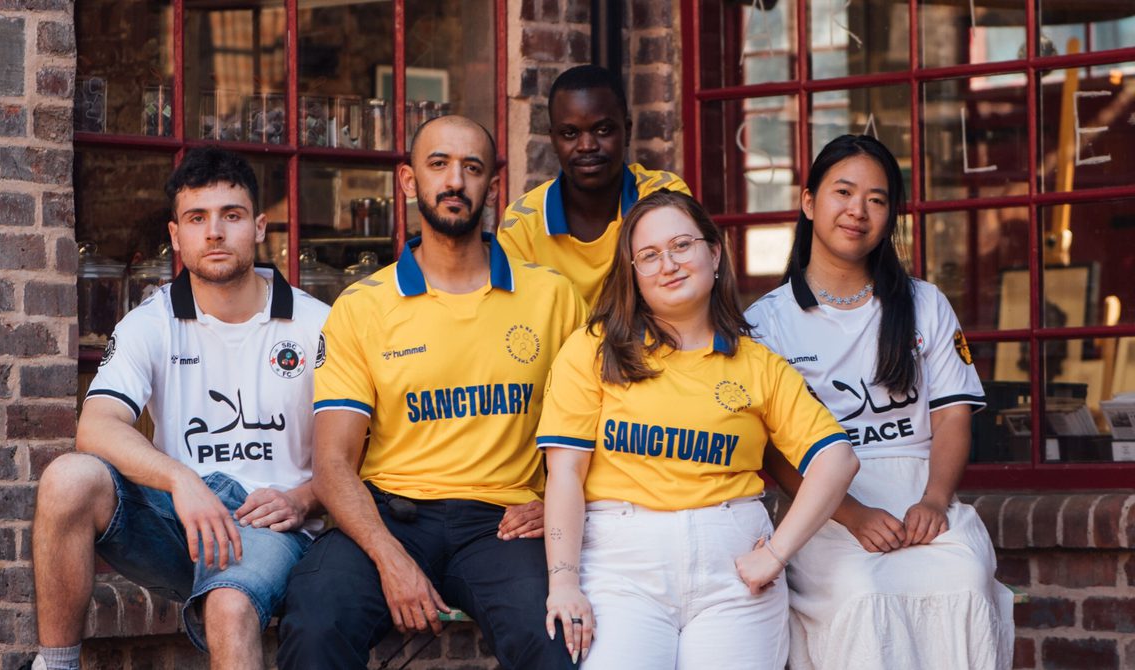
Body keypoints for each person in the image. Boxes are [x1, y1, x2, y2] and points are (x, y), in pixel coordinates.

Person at [275, 115, 586, 670]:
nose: (454, 181)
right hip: (391, 516)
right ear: (408, 181)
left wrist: (554, 503)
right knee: (316, 622)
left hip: (503, 524)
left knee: (556, 640)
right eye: (438, 164)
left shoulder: (553, 298)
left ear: (493, 187)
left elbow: (599, 427)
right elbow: (332, 463)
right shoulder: (364, 306)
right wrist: (390, 559)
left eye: (472, 168)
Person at [30, 147, 329, 670]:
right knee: (68, 478)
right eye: (197, 218)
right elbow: (96, 426)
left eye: (230, 216)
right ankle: (54, 665)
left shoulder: (318, 324)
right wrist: (181, 481)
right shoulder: (151, 321)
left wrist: (305, 499)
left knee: (229, 605)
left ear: (259, 227)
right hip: (182, 521)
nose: (214, 232)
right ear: (176, 235)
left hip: (274, 525)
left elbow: (368, 450)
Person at [537, 189, 860, 668]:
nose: (667, 264)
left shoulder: (757, 364)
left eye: (681, 246)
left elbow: (838, 460)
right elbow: (564, 474)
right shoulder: (593, 350)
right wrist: (562, 581)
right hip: (621, 567)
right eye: (648, 256)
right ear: (634, 275)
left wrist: (776, 553)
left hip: (731, 570)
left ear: (713, 252)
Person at [743, 134, 1015, 670]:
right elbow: (772, 450)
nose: (858, 211)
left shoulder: (924, 303)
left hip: (918, 492)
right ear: (808, 202)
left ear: (891, 216)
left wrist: (936, 500)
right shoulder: (766, 321)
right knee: (860, 596)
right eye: (843, 192)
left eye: (877, 199)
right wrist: (852, 513)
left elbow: (953, 416)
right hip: (824, 509)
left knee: (962, 582)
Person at [498, 64, 690, 307]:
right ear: (553, 139)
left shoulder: (663, 195)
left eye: (602, 130)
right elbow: (522, 320)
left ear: (627, 131)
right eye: (569, 133)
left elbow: (682, 300)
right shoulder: (523, 223)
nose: (587, 145)